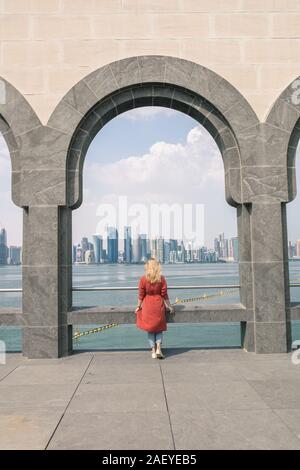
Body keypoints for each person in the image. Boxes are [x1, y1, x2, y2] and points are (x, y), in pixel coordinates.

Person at [135, 258, 174, 359]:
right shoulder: (161, 278)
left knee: (150, 329)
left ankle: (153, 351)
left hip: (147, 306)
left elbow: (141, 295)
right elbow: (164, 295)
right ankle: (158, 349)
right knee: (159, 328)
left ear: (147, 267)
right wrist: (169, 306)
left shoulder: (143, 279)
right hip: (158, 306)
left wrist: (138, 306)